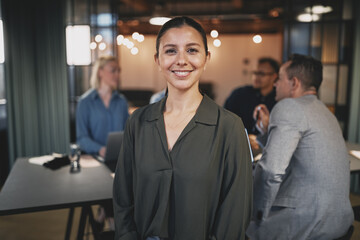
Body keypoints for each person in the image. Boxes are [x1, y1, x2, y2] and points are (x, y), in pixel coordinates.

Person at [113, 16, 253, 240]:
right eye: (170, 51)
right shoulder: (137, 123)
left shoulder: (229, 127)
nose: (181, 60)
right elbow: (122, 200)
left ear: (206, 58)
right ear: (157, 60)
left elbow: (235, 215)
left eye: (191, 50)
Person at [246, 54, 354, 239]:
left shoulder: (288, 106)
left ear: (294, 83)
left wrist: (254, 213)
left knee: (234, 227)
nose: (275, 84)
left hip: (306, 222)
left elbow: (271, 170)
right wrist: (266, 132)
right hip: (339, 221)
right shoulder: (327, 114)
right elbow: (303, 154)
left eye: (279, 78)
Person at [76, 55, 129, 158]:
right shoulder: (85, 102)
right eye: (113, 71)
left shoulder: (122, 101)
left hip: (120, 158)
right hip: (94, 159)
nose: (117, 75)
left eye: (119, 71)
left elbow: (128, 132)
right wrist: (100, 149)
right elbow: (81, 138)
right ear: (100, 72)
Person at [224, 57, 279, 151]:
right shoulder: (239, 94)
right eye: (254, 73)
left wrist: (259, 140)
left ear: (274, 76)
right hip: (238, 145)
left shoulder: (278, 98)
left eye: (261, 73)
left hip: (269, 149)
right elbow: (225, 120)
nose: (256, 77)